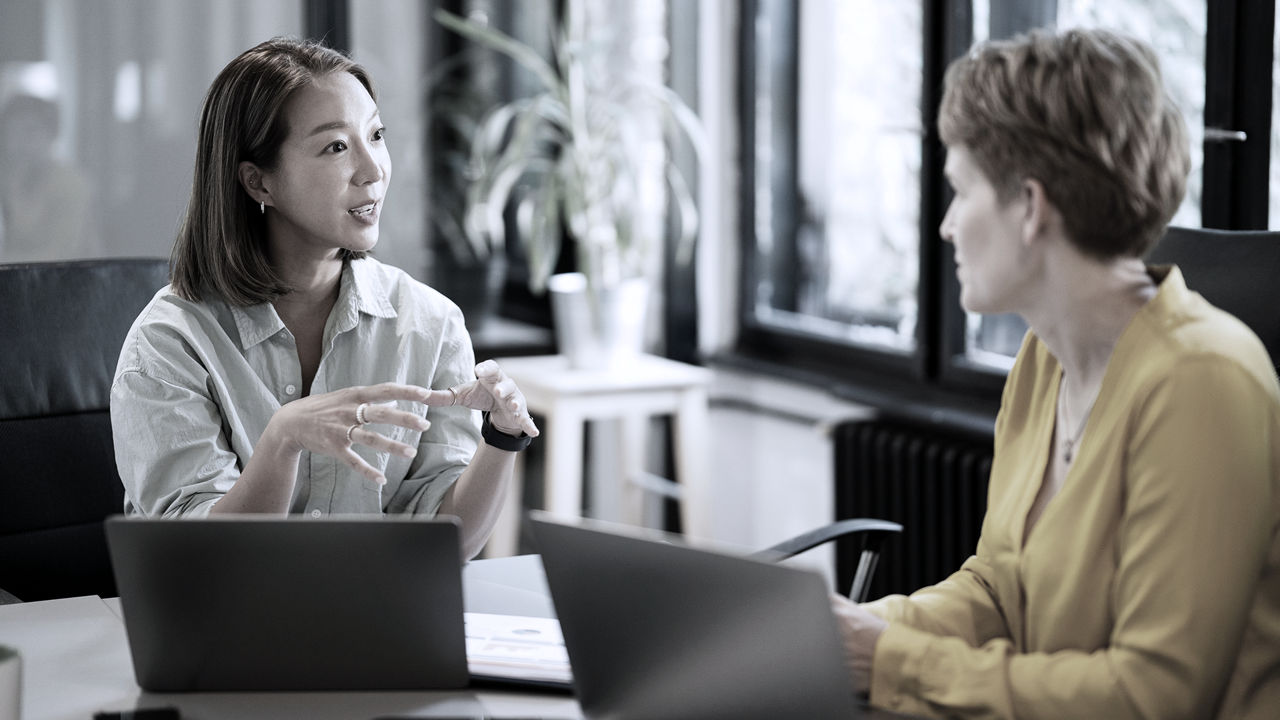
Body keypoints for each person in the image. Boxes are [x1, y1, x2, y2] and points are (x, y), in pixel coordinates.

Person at [830, 28, 1280, 719]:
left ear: (1032, 207)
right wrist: (859, 631)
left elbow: (1151, 699)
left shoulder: (1206, 381)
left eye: (961, 191)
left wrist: (891, 660)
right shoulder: (1046, 359)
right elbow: (1001, 588)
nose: (947, 225)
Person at [110, 37, 539, 560]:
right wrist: (281, 441)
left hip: (373, 619)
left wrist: (502, 438)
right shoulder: (168, 343)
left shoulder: (430, 322)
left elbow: (449, 542)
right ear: (258, 181)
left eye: (376, 135)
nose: (373, 169)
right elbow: (195, 560)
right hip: (225, 630)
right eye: (336, 146)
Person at [0, 93, 98, 262]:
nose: (18, 142)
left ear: (51, 134)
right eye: (11, 132)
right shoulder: (10, 179)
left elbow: (60, 257)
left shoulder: (71, 184)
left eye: (30, 131)